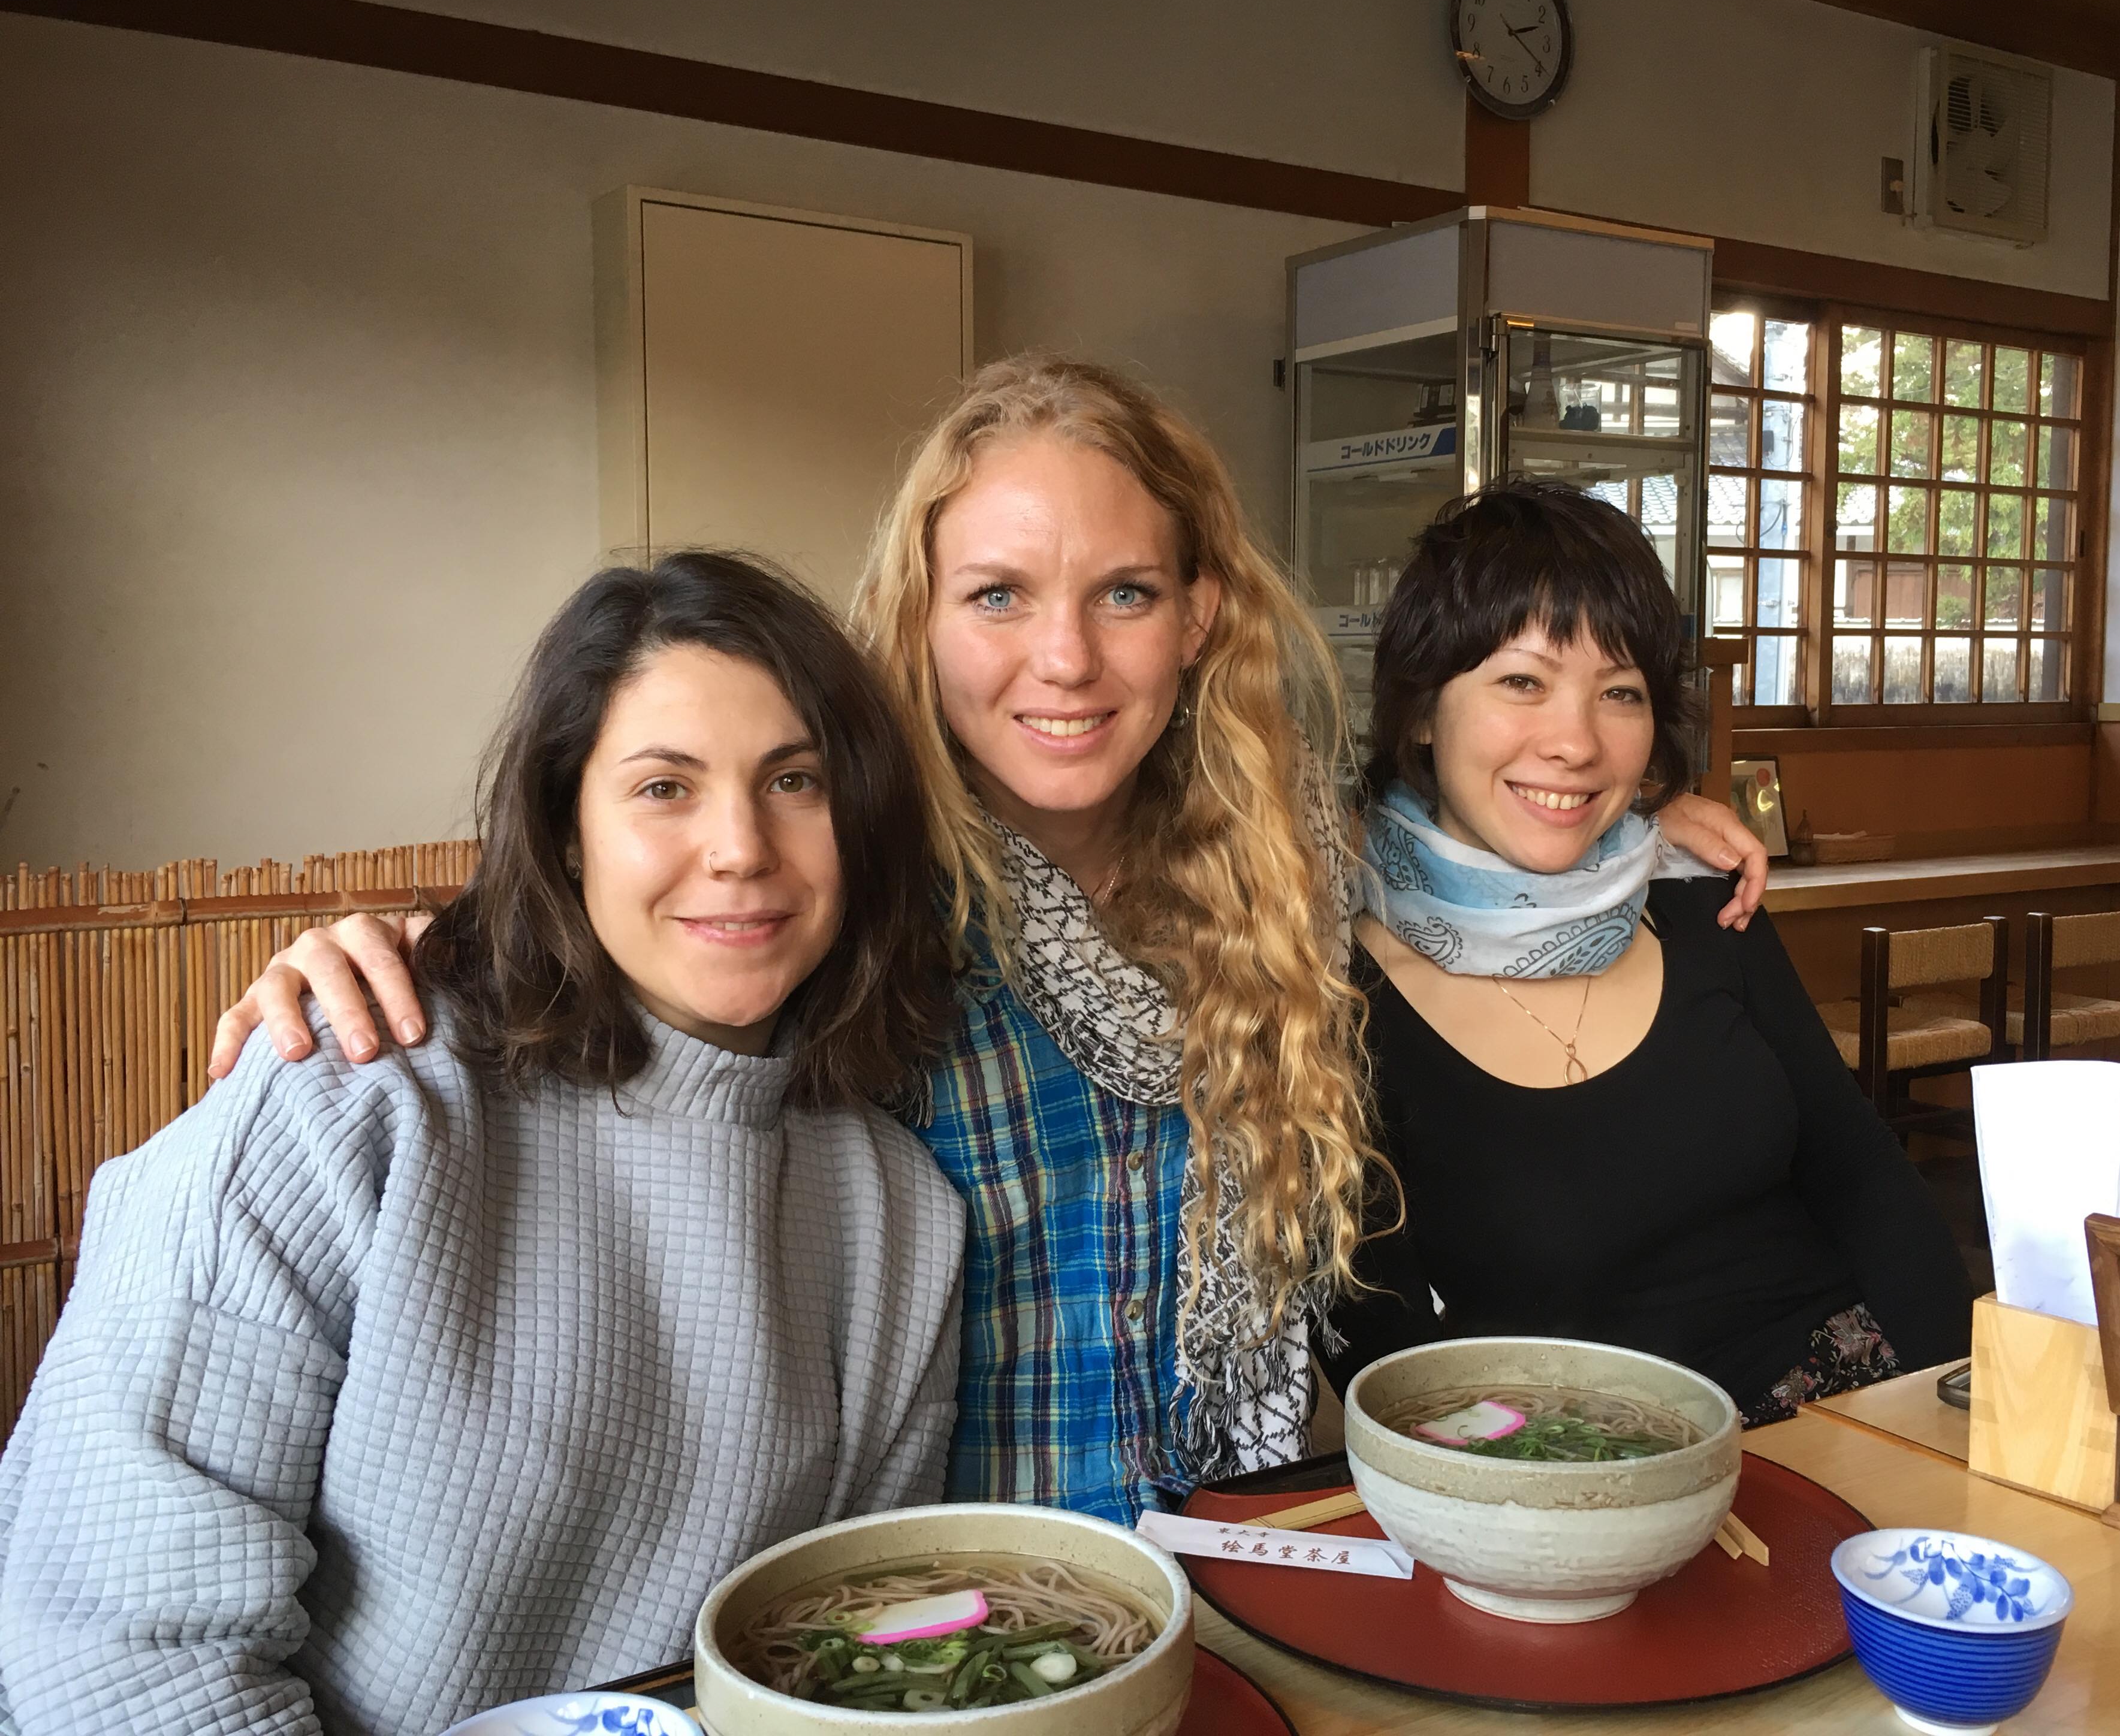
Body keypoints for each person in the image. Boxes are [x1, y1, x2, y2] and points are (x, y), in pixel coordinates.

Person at [204, 357, 1774, 1523]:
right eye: (1001, 595)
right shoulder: (843, 891)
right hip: (951, 1612)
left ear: (1202, 617)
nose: (1067, 660)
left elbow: (1499, 819)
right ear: (920, 613)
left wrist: (1652, 833)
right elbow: (615, 927)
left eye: (1127, 593)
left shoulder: (1285, 876)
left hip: (1259, 1552)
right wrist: (407, 948)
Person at [0, 553, 966, 1735]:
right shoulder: (350, 1094)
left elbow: (844, 1660)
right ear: (566, 831)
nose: (741, 848)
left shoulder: (900, 1217)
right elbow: (117, 1655)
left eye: (797, 780)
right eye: (665, 788)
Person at [1324, 481, 1972, 1423]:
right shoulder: (1332, 994)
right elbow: (1378, 1340)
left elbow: (1864, 1178)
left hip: (1849, 1416)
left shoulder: (1701, 899)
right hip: (1586, 1480)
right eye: (1522, 682)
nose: (1577, 742)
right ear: (1423, 709)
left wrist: (1954, 1411)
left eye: (1619, 693)